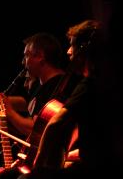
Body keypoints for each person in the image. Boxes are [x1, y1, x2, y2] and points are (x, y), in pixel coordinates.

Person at [33, 19, 105, 168]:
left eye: (72, 45)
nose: (69, 51)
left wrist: (38, 165)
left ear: (84, 50)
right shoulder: (108, 81)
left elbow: (55, 124)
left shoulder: (89, 85)